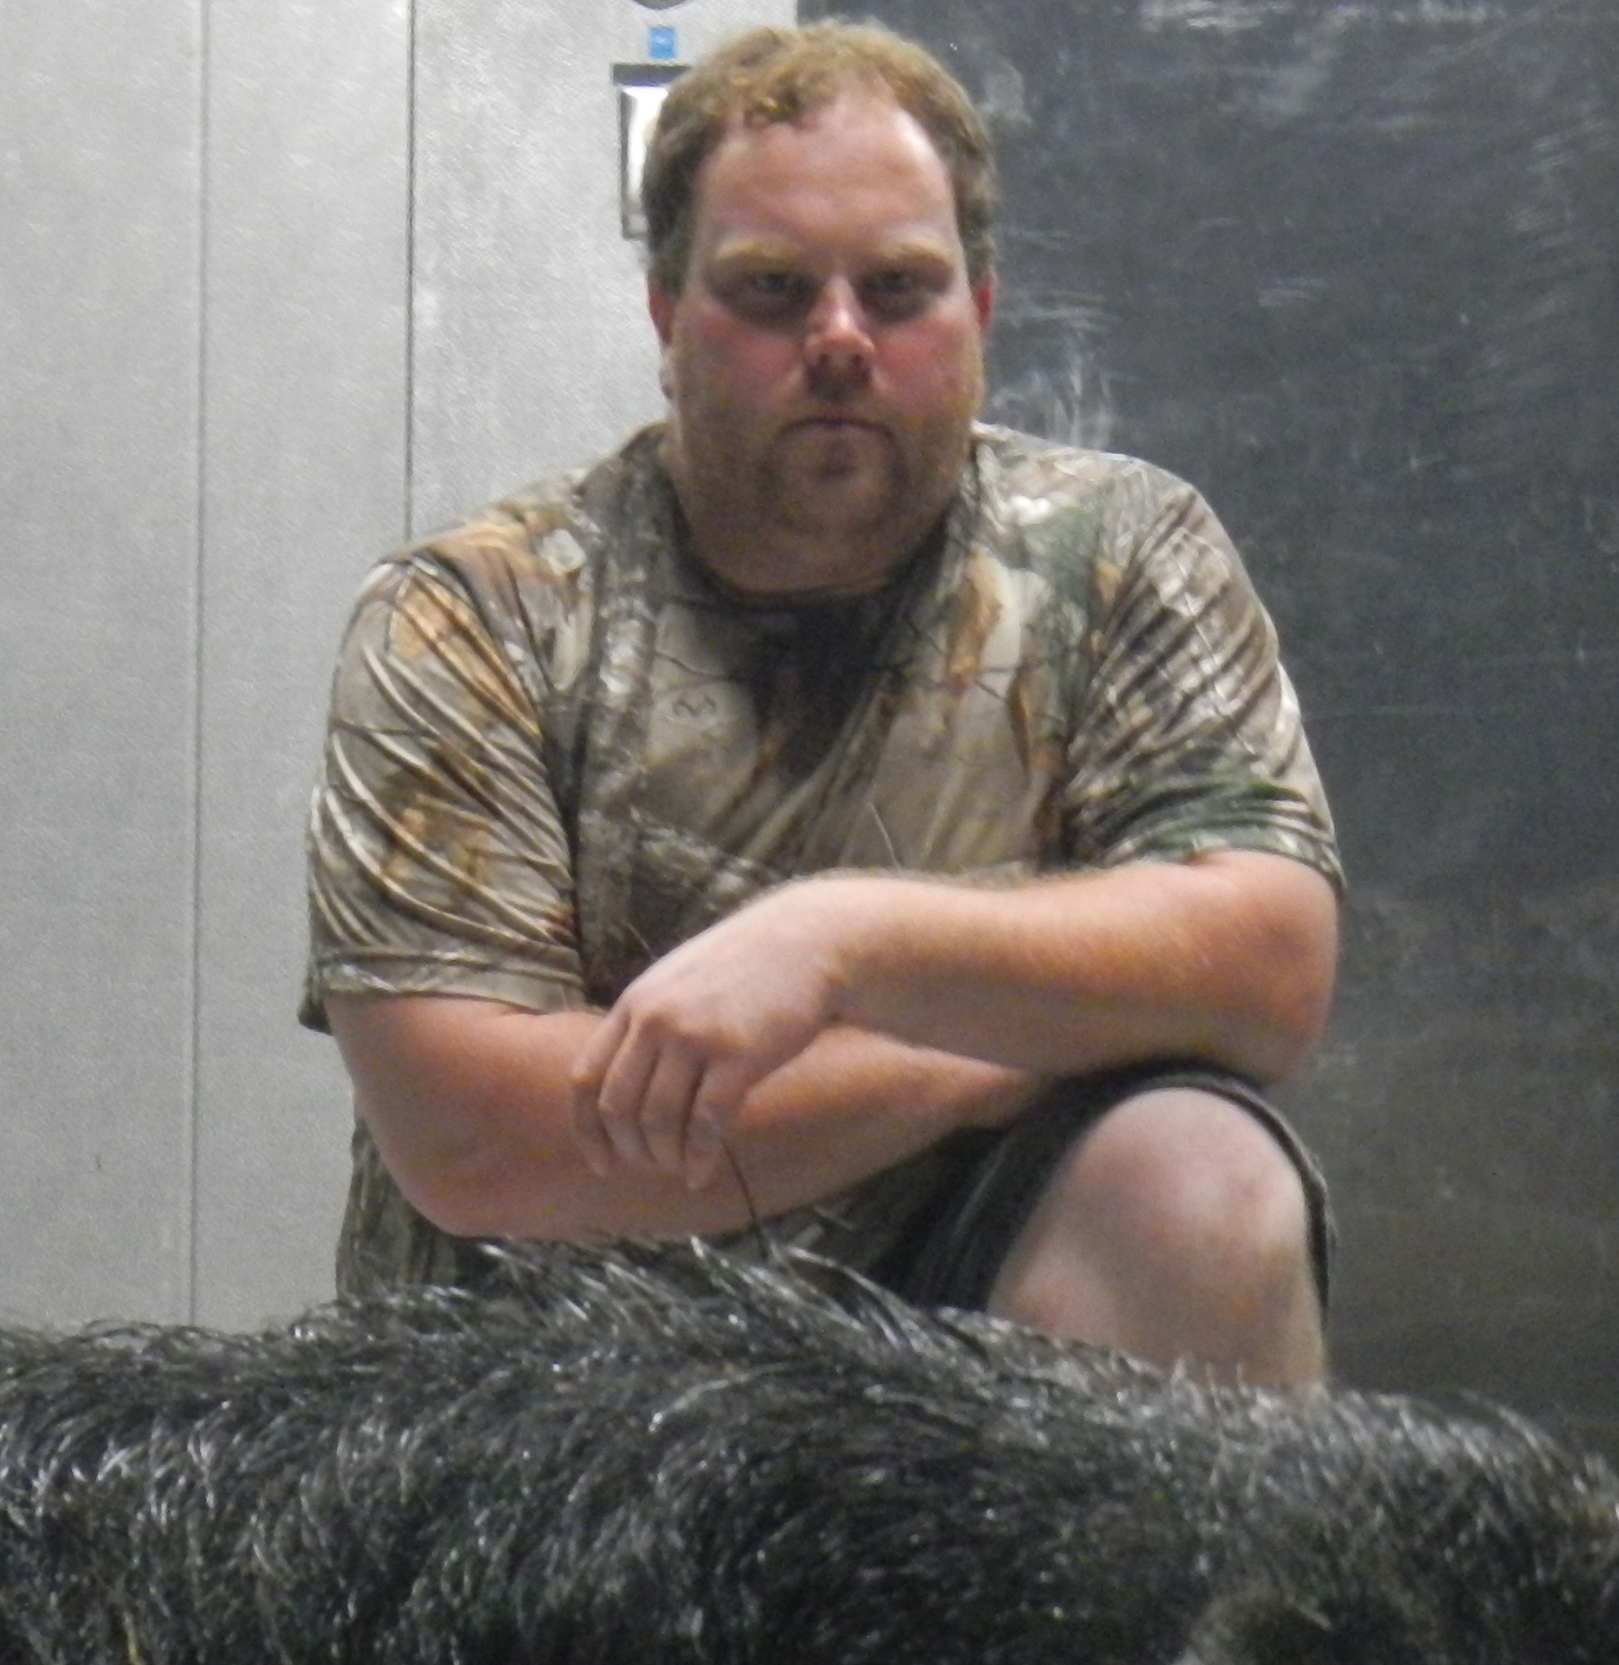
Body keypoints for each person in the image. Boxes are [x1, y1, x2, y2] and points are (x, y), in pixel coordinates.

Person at [302, 20, 1340, 1384]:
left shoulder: (1123, 557)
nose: (841, 339)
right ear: (667, 314)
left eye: (899, 289)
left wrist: (846, 945)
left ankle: (1129, 1547)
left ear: (982, 308)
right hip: (544, 1402)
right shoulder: (474, 614)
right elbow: (481, 1142)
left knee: (1200, 1178)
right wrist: (1010, 1043)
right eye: (773, 290)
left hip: (979, 1359)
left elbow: (1268, 966)